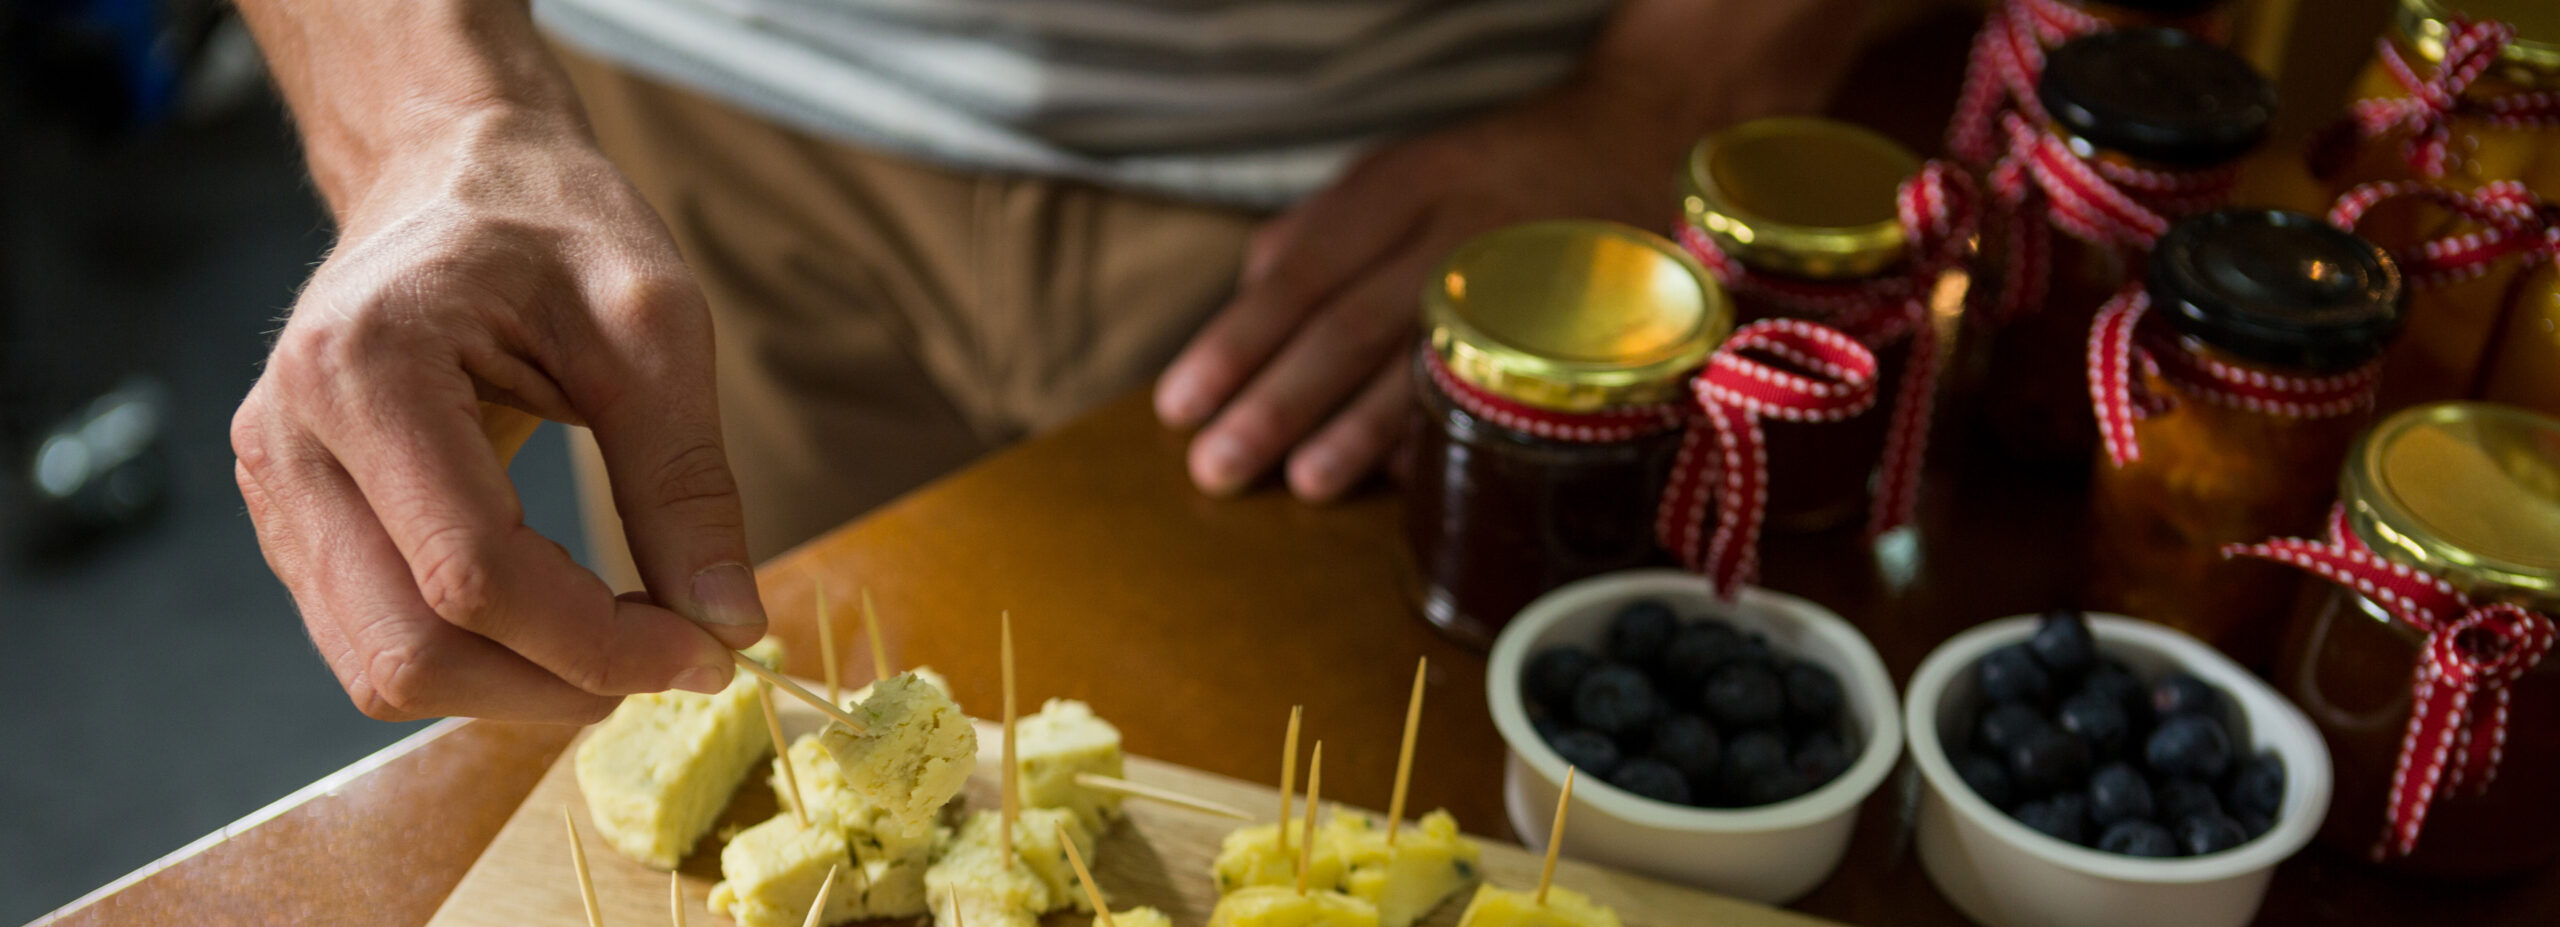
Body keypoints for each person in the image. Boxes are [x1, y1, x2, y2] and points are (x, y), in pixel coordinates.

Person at [228, 0, 1870, 723]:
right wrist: (425, 114)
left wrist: (1663, 96)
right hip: (661, 149)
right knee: (768, 761)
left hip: (1414, 182)